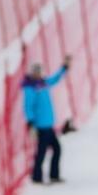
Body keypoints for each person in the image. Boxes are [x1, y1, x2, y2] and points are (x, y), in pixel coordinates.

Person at [22, 56, 71, 184]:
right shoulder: (30, 88)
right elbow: (28, 106)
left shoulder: (43, 84)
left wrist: (64, 68)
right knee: (42, 152)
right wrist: (31, 123)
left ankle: (53, 175)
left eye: (39, 71)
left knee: (56, 149)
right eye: (35, 71)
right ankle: (36, 176)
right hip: (40, 126)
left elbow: (55, 79)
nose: (38, 74)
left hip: (48, 125)